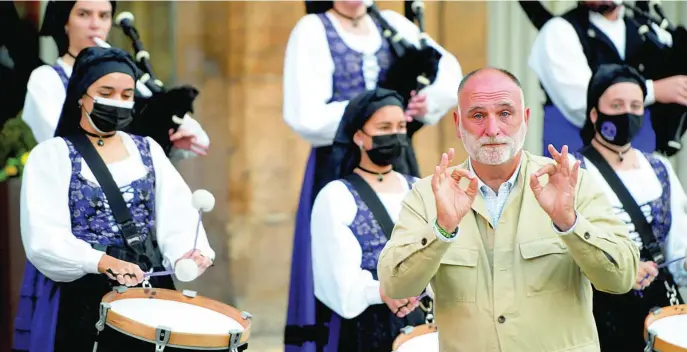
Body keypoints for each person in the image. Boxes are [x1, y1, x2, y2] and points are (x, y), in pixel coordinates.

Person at [377, 67, 641, 352]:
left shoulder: (570, 183)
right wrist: (442, 228)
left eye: (505, 113)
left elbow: (621, 278)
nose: (492, 129)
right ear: (457, 123)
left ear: (525, 119)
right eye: (478, 115)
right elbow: (395, 287)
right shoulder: (430, 194)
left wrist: (570, 223)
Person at [13, 46, 215, 352]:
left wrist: (189, 253)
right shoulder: (51, 155)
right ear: (81, 95)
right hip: (81, 298)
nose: (117, 102)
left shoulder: (148, 149)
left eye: (126, 95)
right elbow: (43, 237)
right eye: (106, 92)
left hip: (150, 296)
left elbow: (177, 216)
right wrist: (100, 261)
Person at [284, 1, 460, 349]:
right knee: (341, 257)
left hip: (397, 156)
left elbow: (449, 70)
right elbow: (304, 114)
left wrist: (427, 100)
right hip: (340, 158)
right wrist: (368, 115)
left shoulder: (391, 23)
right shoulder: (313, 30)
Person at [569, 63, 687, 352]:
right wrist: (616, 272)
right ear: (594, 113)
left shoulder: (660, 167)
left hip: (658, 311)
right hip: (597, 310)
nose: (627, 113)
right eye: (617, 104)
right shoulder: (572, 170)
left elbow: (679, 248)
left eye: (636, 105)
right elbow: (562, 250)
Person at [311, 88, 430, 351]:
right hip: (367, 330)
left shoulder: (421, 189)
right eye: (384, 127)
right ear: (358, 136)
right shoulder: (336, 196)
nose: (395, 135)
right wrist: (380, 292)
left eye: (401, 126)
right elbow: (335, 279)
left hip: (426, 324)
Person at [21, 0, 209, 161]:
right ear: (66, 22)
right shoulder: (46, 79)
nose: (95, 25)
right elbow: (61, 146)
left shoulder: (126, 77)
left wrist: (173, 138)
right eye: (84, 14)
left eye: (104, 16)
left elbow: (199, 141)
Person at [528, 1, 687, 157]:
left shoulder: (646, 30)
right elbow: (581, 103)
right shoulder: (559, 30)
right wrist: (654, 90)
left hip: (639, 164)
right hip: (575, 168)